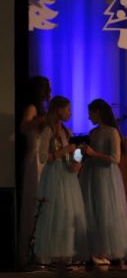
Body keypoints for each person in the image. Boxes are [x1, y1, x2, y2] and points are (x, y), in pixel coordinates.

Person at [79, 99, 127, 265]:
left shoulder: (112, 132)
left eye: (90, 113)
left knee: (106, 212)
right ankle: (95, 252)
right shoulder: (92, 133)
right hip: (91, 175)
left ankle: (113, 253)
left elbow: (115, 158)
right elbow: (84, 155)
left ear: (98, 112)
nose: (89, 117)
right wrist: (79, 153)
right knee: (93, 212)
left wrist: (94, 153)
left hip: (106, 177)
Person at [34, 96, 88, 265]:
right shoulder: (48, 131)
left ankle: (66, 253)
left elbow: (76, 150)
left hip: (68, 177)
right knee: (55, 214)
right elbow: (43, 157)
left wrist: (78, 161)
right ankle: (53, 254)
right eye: (68, 110)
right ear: (58, 110)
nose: (70, 113)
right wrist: (64, 151)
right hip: (54, 176)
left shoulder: (67, 131)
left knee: (68, 215)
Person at [18, 76, 51, 265]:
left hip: (42, 160)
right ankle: (31, 251)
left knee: (43, 201)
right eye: (47, 88)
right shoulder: (32, 108)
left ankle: (41, 251)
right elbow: (23, 127)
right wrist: (40, 120)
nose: (49, 92)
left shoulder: (42, 110)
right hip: (33, 159)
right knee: (34, 201)